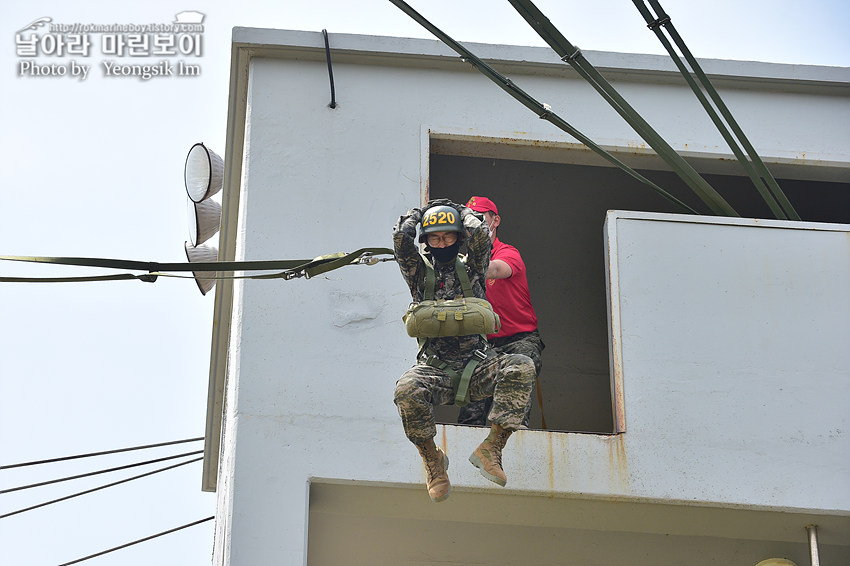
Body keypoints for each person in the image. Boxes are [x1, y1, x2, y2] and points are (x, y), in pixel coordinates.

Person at [393, 198, 535, 502]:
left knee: (521, 365)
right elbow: (401, 241)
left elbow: (482, 238)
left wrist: (462, 211)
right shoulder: (419, 275)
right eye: (435, 238)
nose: (441, 243)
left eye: (447, 236)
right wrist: (420, 213)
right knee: (406, 389)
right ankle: (433, 459)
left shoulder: (473, 269)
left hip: (478, 367)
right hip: (436, 371)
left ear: (458, 238)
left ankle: (492, 448)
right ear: (427, 241)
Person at [457, 196, 545, 428]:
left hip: (519, 341)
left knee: (512, 418)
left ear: (495, 221)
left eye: (479, 219)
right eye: (468, 221)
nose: (473, 226)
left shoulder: (508, 253)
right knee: (470, 418)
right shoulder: (457, 263)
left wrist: (460, 264)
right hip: (482, 346)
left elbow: (495, 269)